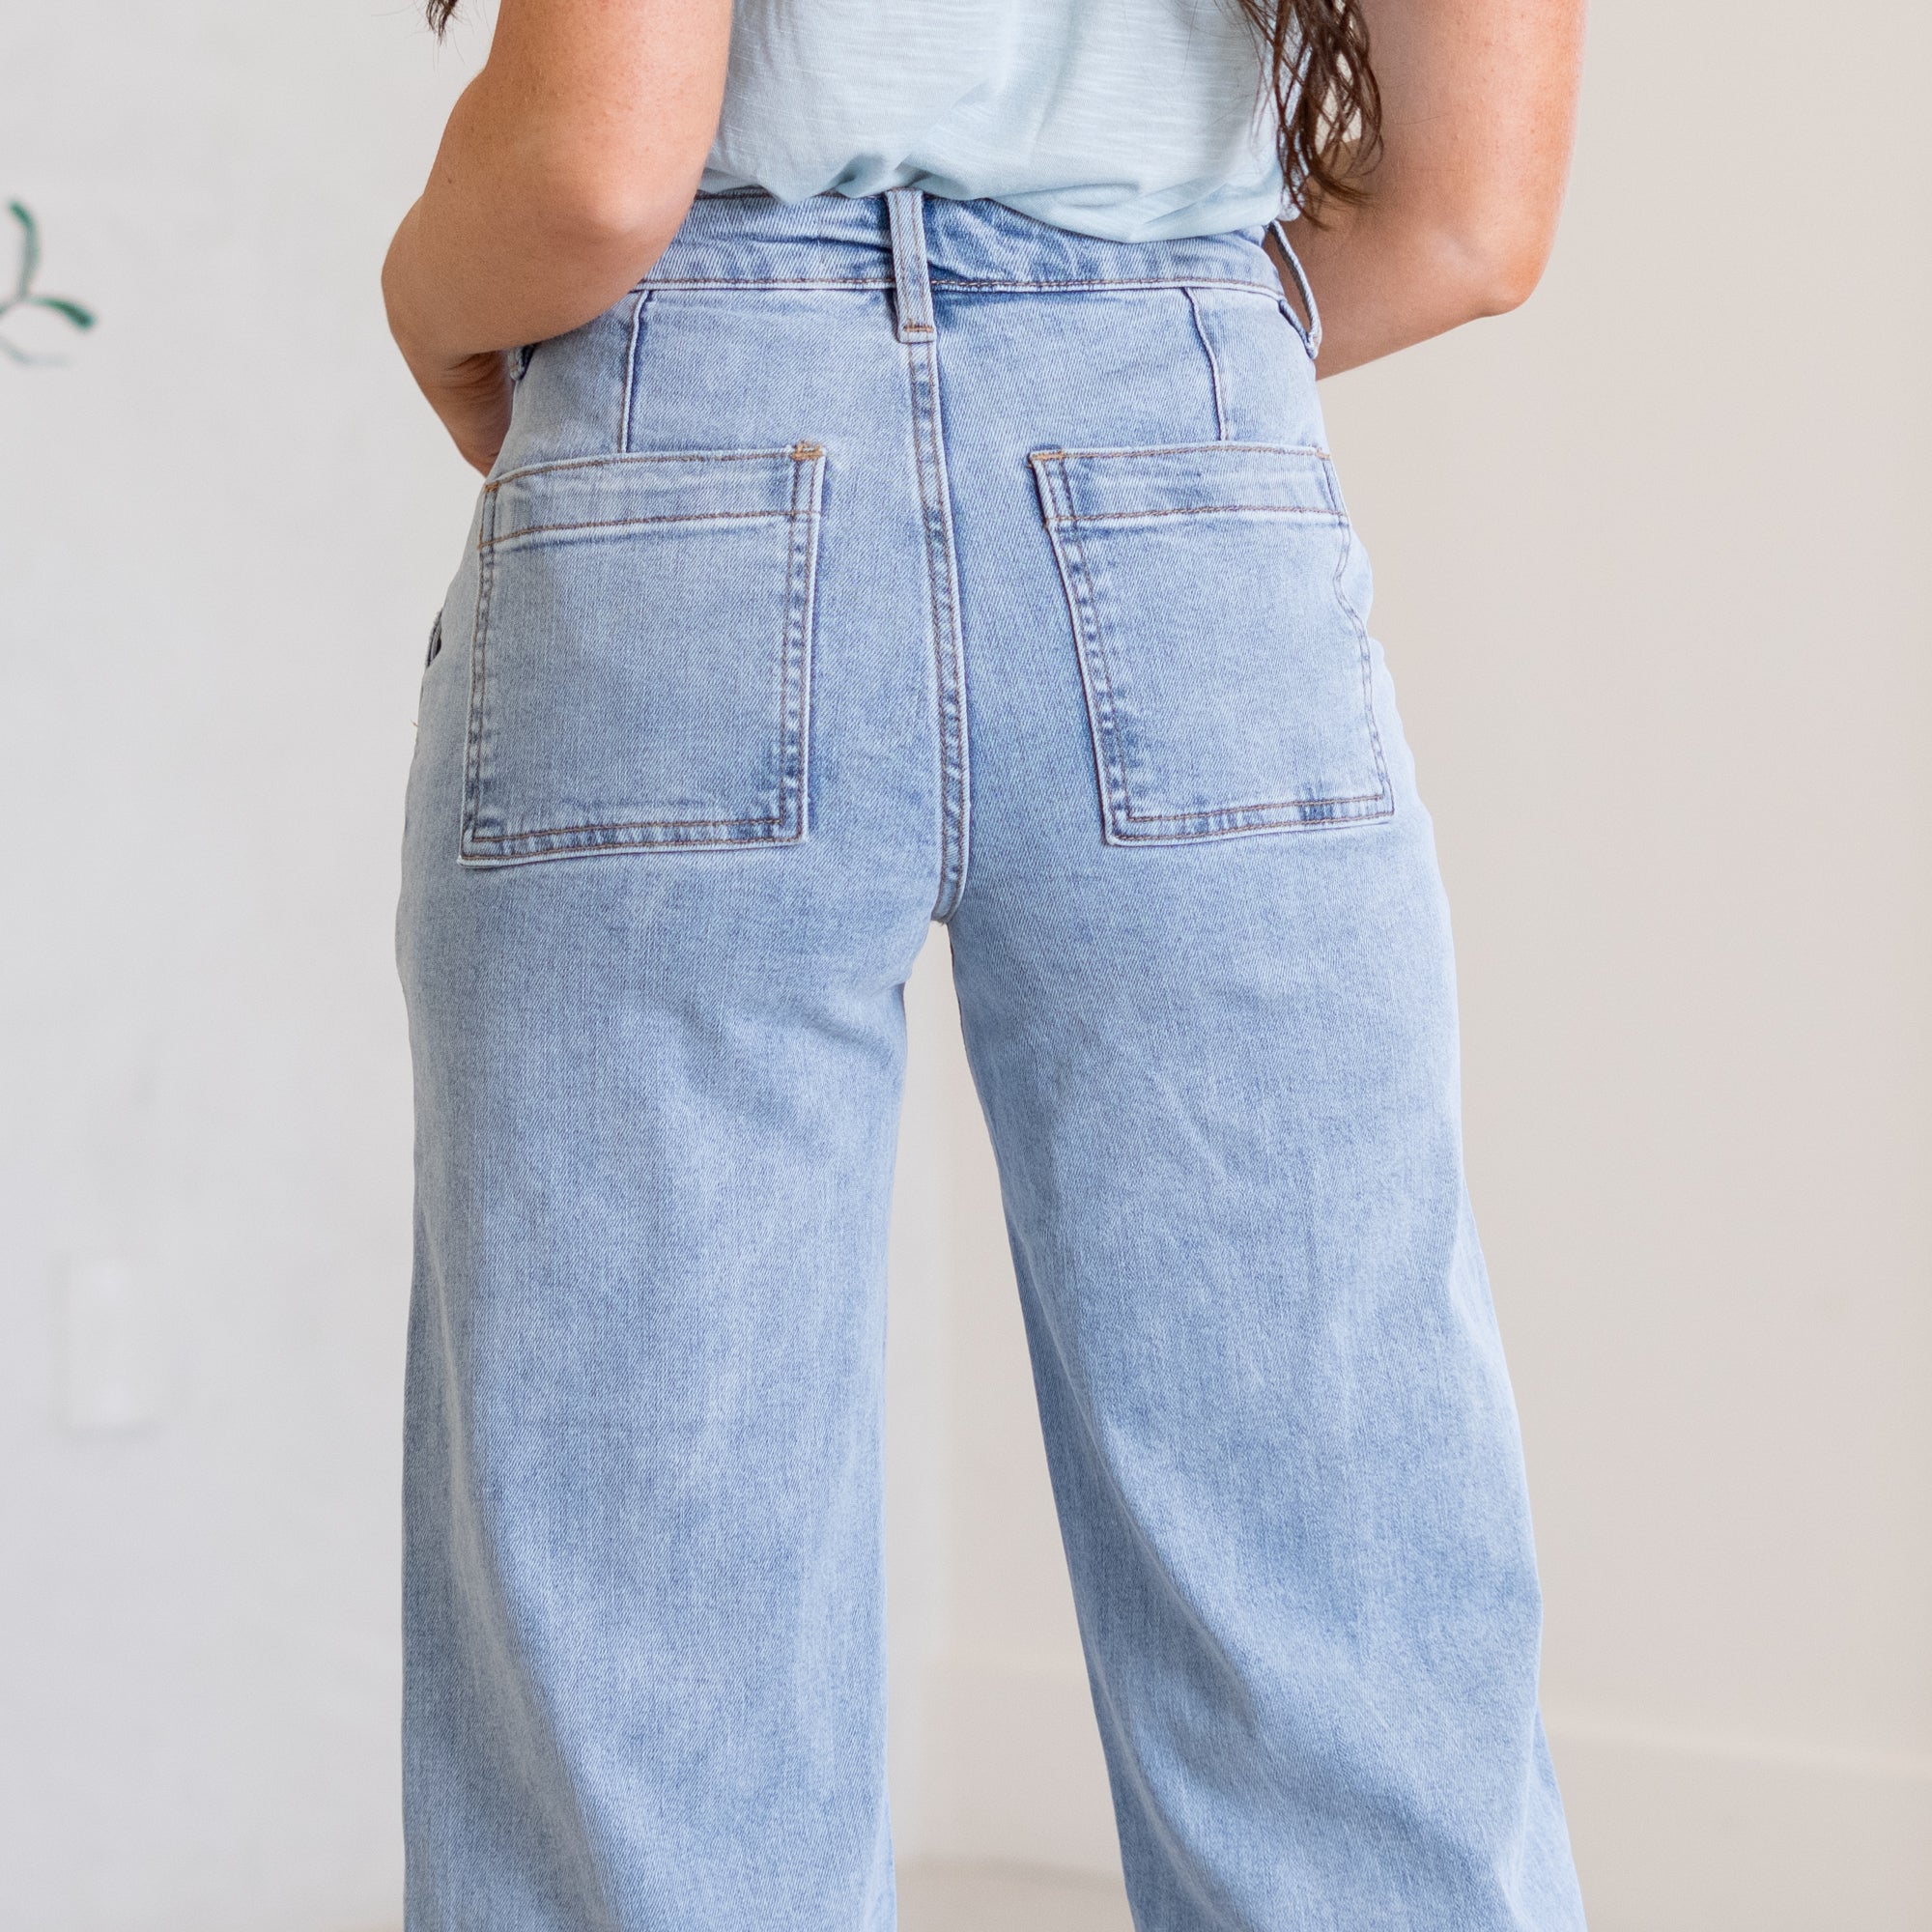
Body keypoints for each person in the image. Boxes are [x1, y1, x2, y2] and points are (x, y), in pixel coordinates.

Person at [383, 0, 1588, 1925]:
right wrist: (1143, 356)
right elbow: (1468, 224)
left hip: (697, 446)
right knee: (1340, 1575)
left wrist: (430, 303)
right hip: (1186, 467)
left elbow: (596, 166)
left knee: (648, 1618)